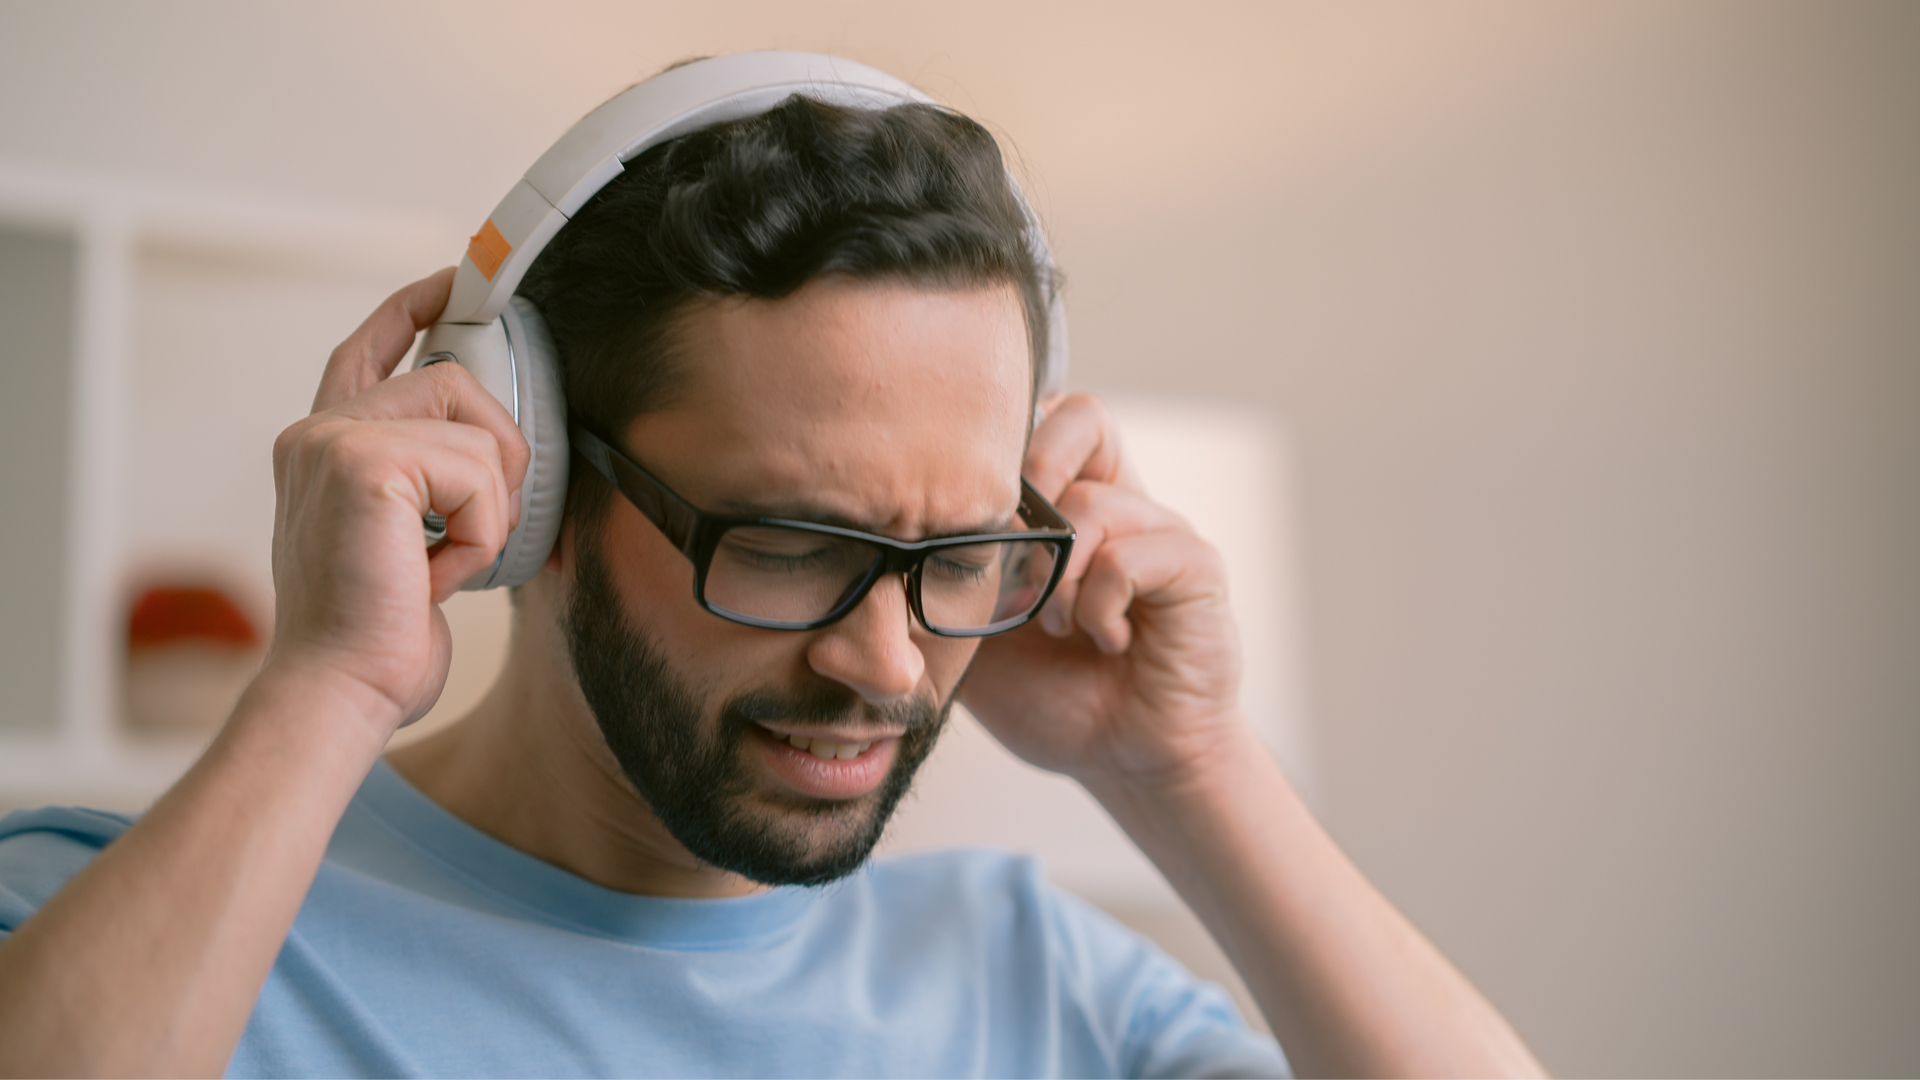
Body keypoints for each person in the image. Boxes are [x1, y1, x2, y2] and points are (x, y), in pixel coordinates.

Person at [0, 55, 1543, 1079]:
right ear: (531, 487)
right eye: (796, 548)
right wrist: (324, 685)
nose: (885, 667)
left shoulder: (1042, 986)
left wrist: (1188, 768)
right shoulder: (115, 931)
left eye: (952, 555)